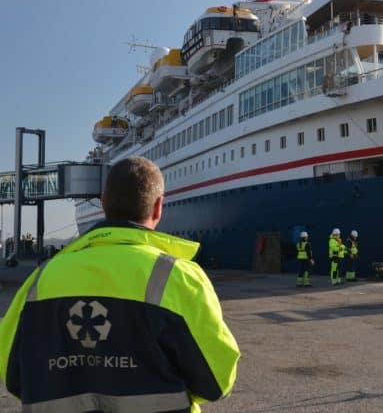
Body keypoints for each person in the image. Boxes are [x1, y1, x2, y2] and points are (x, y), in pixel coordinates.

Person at [0, 156, 239, 412]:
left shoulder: (42, 278)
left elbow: (13, 376)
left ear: (103, 203)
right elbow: (216, 382)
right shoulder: (178, 277)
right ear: (158, 207)